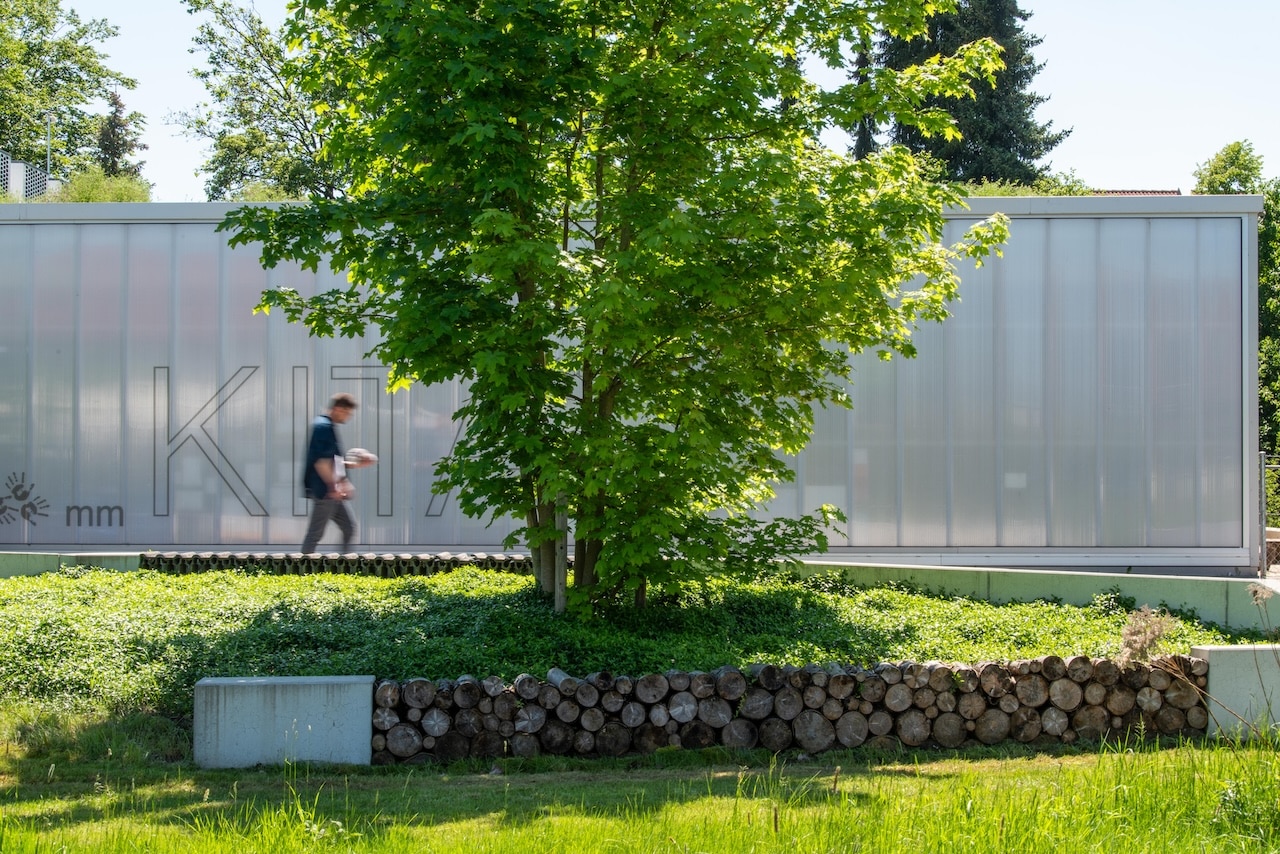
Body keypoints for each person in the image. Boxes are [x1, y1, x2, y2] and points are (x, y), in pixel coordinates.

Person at [300, 392, 370, 553]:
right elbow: (322, 462)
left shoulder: (327, 426)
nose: (348, 417)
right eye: (347, 413)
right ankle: (300, 572)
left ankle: (343, 569)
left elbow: (332, 461)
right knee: (315, 534)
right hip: (325, 492)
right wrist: (333, 487)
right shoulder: (323, 427)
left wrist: (352, 467)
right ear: (338, 409)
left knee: (349, 527)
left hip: (331, 491)